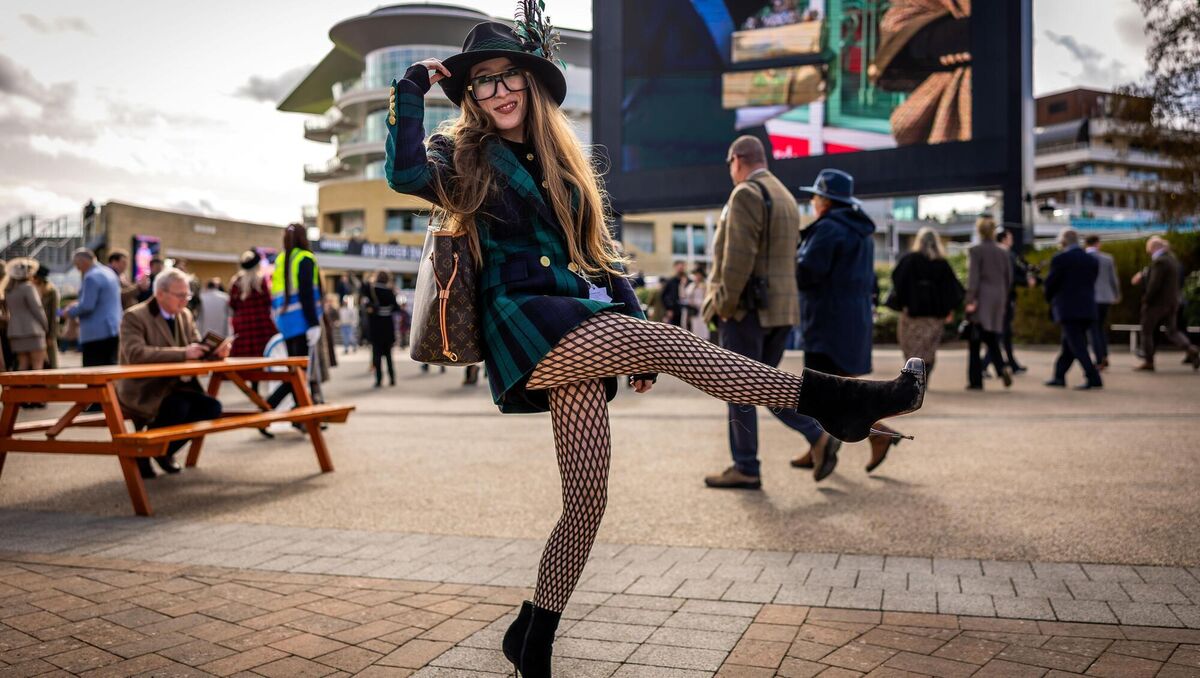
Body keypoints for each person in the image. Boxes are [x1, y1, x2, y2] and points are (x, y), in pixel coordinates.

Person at [388, 21, 926, 676]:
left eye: (508, 76)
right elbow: (405, 170)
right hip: (523, 321)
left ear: (530, 82)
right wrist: (412, 87)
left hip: (579, 318)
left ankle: (532, 638)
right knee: (673, 344)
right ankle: (837, 405)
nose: (498, 90)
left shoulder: (567, 163)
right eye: (483, 81)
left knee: (587, 500)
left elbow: (601, 259)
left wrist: (633, 332)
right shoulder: (464, 159)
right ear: (471, 94)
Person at [702, 135, 828, 489]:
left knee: (738, 388)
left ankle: (746, 466)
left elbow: (737, 259)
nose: (730, 170)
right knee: (768, 385)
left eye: (729, 163)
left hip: (747, 311)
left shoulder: (745, 193)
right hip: (781, 310)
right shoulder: (786, 196)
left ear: (738, 159)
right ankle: (816, 435)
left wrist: (724, 306)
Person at [794, 168, 903, 476]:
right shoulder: (861, 232)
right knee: (834, 391)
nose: (814, 202)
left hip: (826, 322)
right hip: (852, 323)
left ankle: (875, 434)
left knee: (821, 394)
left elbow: (808, 273)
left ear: (826, 200)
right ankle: (819, 445)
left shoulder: (828, 228)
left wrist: (792, 258)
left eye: (816, 196)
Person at [118, 268, 228, 479]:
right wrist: (183, 353)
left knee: (212, 408)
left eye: (187, 295)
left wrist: (214, 352)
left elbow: (196, 346)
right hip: (146, 388)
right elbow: (135, 354)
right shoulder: (134, 316)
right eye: (180, 295)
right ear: (160, 293)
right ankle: (147, 451)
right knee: (179, 407)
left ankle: (162, 451)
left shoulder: (185, 315)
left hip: (177, 385)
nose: (185, 300)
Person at [890, 227, 962, 380]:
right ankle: (924, 376)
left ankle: (912, 377)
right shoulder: (942, 264)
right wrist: (948, 309)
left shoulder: (909, 260)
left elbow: (898, 281)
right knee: (929, 349)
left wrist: (905, 301)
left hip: (912, 313)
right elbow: (953, 290)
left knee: (911, 347)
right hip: (934, 316)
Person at [267, 224, 325, 409]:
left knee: (295, 373)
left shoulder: (281, 259)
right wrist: (314, 323)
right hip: (302, 321)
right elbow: (306, 294)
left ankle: (300, 414)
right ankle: (267, 407)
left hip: (285, 322)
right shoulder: (305, 258)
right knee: (298, 374)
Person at [1044, 228, 1103, 389]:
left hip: (1068, 308)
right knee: (1069, 345)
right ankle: (1059, 376)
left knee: (1077, 346)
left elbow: (1051, 284)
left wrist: (1049, 299)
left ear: (1063, 242)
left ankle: (1093, 377)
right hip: (1088, 307)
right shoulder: (1091, 260)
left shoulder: (1060, 259)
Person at [1132, 236, 1199, 371]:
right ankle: (1191, 349)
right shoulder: (1173, 260)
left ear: (1152, 247)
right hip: (1173, 302)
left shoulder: (1160, 262)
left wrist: (1147, 299)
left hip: (1157, 304)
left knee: (1146, 331)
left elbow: (1154, 284)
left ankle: (1148, 361)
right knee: (1172, 331)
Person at [964, 217, 1012, 390]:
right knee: (991, 337)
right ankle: (1001, 367)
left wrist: (970, 300)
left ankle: (975, 381)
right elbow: (1008, 279)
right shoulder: (1003, 252)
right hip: (998, 298)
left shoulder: (976, 250)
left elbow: (973, 278)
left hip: (981, 299)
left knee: (975, 340)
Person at [985, 228, 1035, 375]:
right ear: (1004, 239)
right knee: (1001, 332)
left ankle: (1011, 364)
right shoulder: (1006, 255)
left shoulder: (997, 255)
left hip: (999, 298)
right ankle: (986, 364)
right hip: (1004, 299)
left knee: (1005, 333)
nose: (1012, 240)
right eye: (1010, 238)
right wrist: (1027, 281)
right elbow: (1011, 277)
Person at [64, 248, 123, 367]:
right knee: (110, 369)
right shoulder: (109, 272)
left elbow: (87, 306)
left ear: (84, 261)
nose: (77, 268)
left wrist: (70, 311)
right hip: (113, 329)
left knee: (93, 373)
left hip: (96, 334)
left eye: (77, 264)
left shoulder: (91, 277)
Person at [1, 259, 49, 384]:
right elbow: (37, 309)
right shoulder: (28, 288)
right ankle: (36, 397)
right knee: (37, 365)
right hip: (33, 330)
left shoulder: (8, 290)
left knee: (22, 364)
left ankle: (22, 396)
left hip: (15, 330)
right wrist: (45, 326)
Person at [228, 250, 276, 360]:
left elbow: (232, 304)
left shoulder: (236, 282)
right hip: (261, 326)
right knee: (262, 358)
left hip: (242, 326)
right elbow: (268, 302)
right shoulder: (261, 281)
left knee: (243, 360)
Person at [1085, 235, 1121, 370]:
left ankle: (1099, 358)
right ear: (1097, 244)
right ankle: (1104, 355)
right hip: (1106, 298)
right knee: (1101, 328)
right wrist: (1117, 294)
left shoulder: (1084, 258)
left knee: (1092, 330)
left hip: (1090, 298)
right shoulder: (1108, 258)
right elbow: (1114, 279)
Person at [364, 270, 399, 387]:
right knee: (389, 355)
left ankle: (378, 380)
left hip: (375, 327)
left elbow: (365, 303)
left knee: (377, 355)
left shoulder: (372, 290)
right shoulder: (390, 291)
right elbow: (396, 308)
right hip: (388, 326)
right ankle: (392, 378)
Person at [33, 265, 60, 369]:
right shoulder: (32, 290)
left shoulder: (52, 291)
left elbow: (54, 315)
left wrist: (51, 335)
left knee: (51, 361)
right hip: (36, 331)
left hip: (48, 330)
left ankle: (53, 384)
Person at [681, 264, 708, 338]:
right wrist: (682, 285)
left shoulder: (705, 286)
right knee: (689, 333)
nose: (696, 276)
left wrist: (694, 302)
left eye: (698, 274)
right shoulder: (691, 285)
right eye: (695, 274)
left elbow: (706, 301)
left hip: (699, 313)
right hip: (689, 313)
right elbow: (683, 296)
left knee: (699, 335)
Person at [661, 261, 686, 326]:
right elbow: (664, 296)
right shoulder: (670, 281)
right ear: (675, 267)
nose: (681, 269)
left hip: (686, 311)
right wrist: (669, 309)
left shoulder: (688, 281)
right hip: (674, 311)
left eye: (682, 267)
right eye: (679, 267)